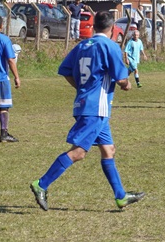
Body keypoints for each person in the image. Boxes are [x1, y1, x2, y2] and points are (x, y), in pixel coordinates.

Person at [30, 11, 145, 211]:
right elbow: (121, 79)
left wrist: (82, 89)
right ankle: (41, 184)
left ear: (94, 26)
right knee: (79, 153)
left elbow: (65, 70)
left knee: (108, 150)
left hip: (86, 104)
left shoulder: (82, 45)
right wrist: (126, 85)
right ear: (112, 29)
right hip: (96, 108)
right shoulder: (110, 46)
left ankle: (120, 196)